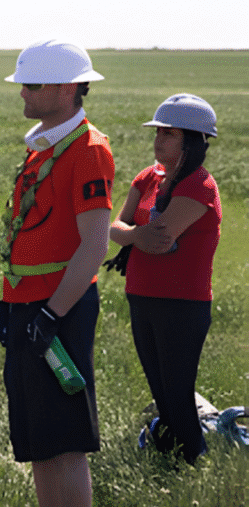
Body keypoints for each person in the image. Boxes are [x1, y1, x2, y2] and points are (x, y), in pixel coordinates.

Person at [0, 39, 112, 507]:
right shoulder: (44, 149)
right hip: (29, 305)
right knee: (39, 442)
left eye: (32, 84)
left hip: (57, 310)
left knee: (65, 443)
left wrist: (50, 315)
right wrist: (13, 306)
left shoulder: (87, 149)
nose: (22, 93)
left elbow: (95, 243)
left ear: (67, 88)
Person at [108, 93, 220, 465]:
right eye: (157, 132)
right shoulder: (147, 176)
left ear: (192, 141)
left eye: (168, 134)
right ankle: (171, 455)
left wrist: (133, 234)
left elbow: (158, 240)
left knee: (177, 389)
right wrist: (134, 235)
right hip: (141, 295)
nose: (158, 141)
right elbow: (117, 226)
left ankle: (195, 461)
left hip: (182, 303)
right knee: (159, 387)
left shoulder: (200, 186)